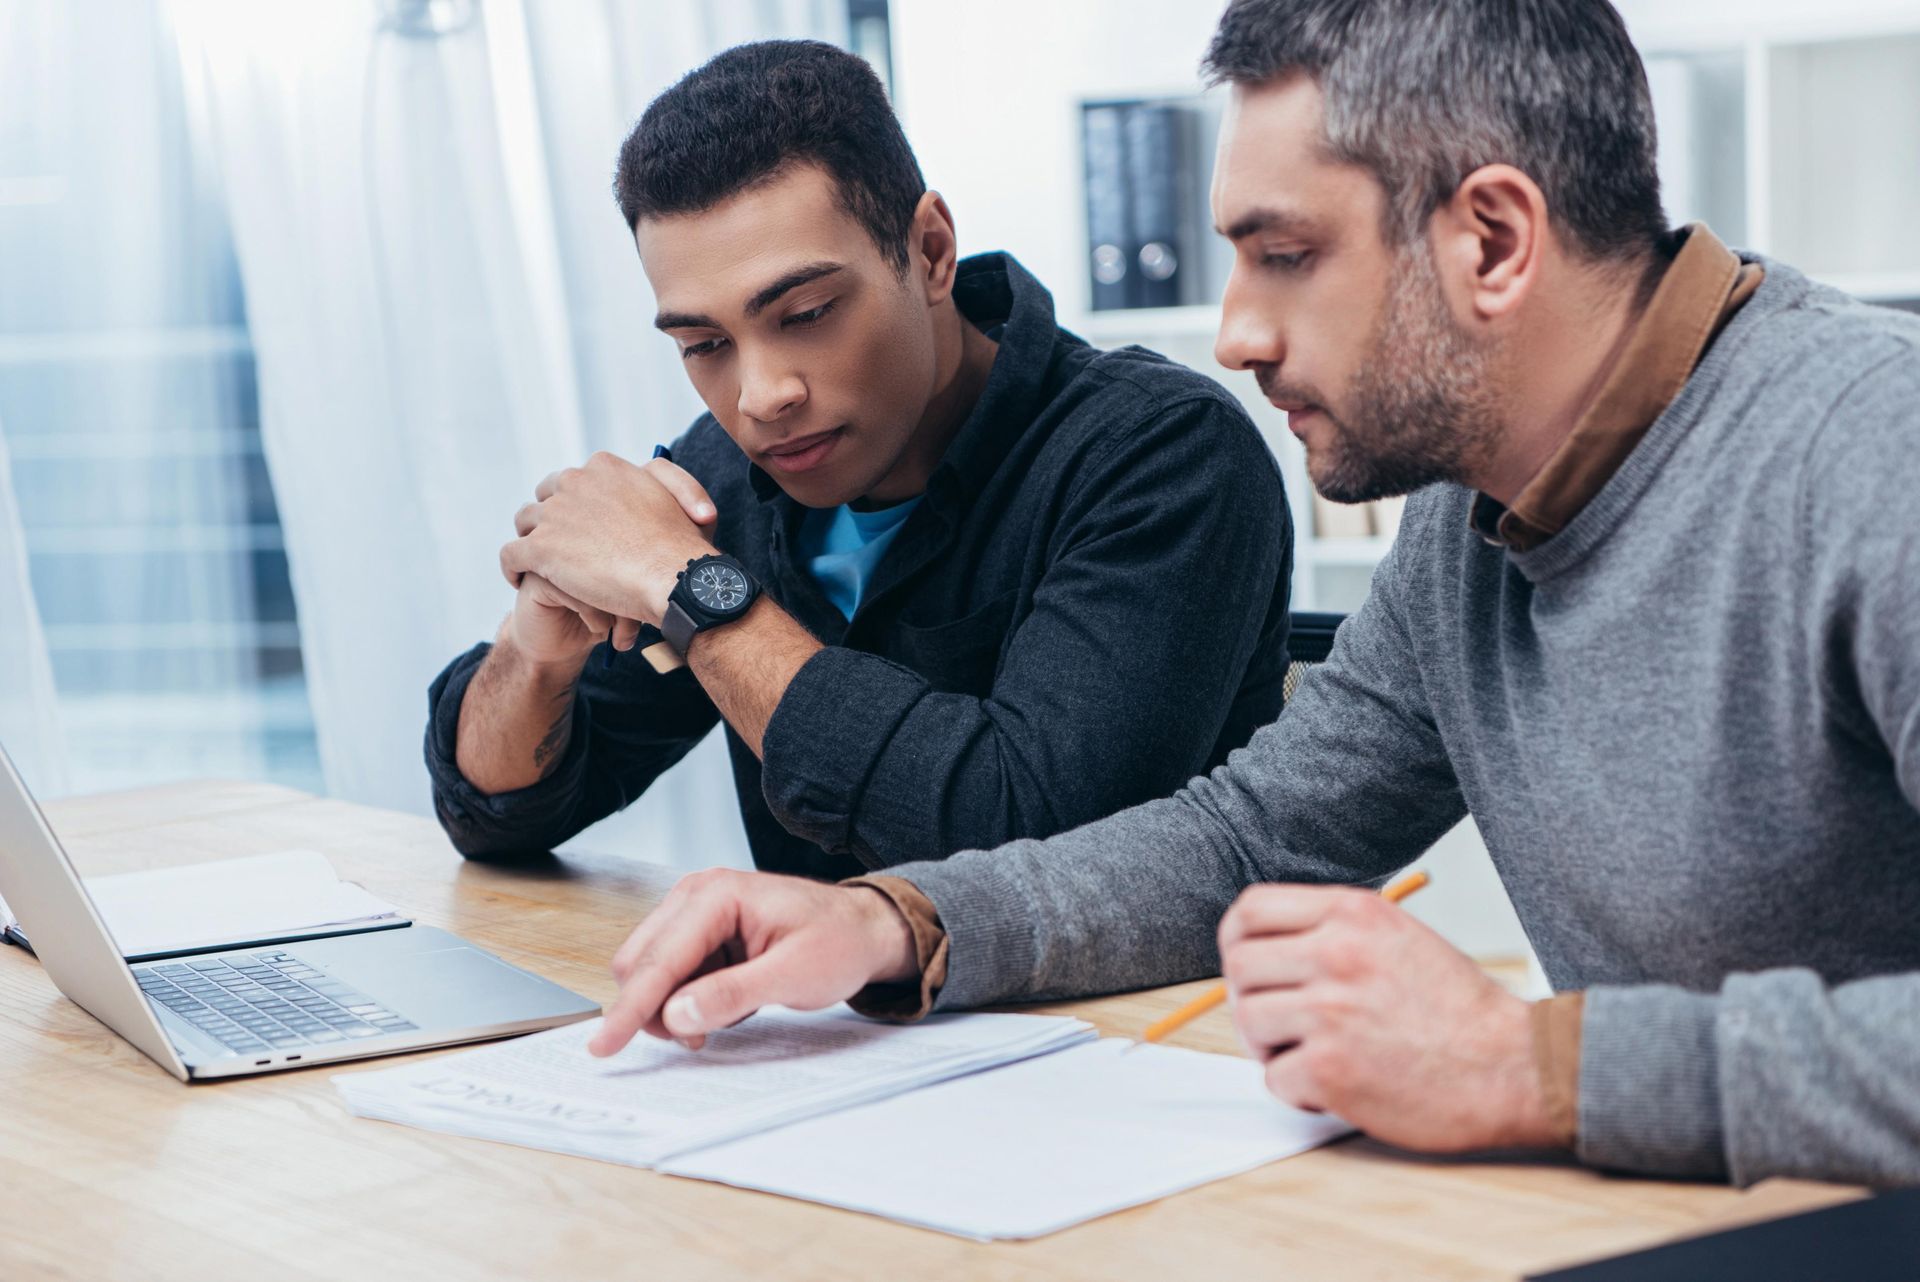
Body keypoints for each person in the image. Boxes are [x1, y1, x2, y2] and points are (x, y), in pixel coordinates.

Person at [585, 0, 1920, 1189]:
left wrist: (1534, 1063)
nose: (1234, 332)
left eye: (1282, 256)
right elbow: (1244, 838)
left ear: (1496, 240)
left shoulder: (1872, 456)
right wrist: (894, 919)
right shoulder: (1472, 519)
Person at [423, 40, 1294, 883]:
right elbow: (498, 817)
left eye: (804, 313)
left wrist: (694, 590)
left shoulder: (1163, 456)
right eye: (703, 343)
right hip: (832, 1025)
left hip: (1148, 1028)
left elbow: (1031, 846)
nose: (760, 396)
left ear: (929, 252)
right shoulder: (724, 478)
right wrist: (537, 648)